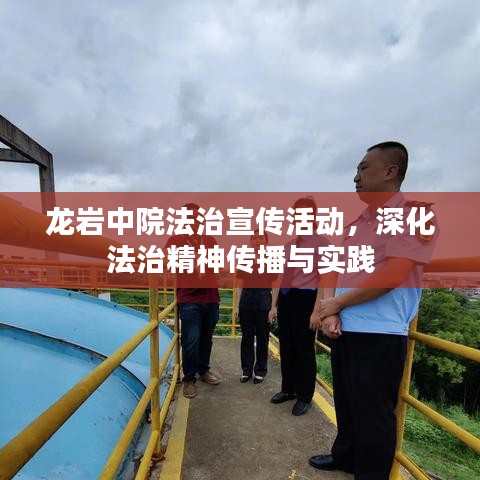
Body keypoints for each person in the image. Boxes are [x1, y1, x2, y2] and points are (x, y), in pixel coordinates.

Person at [309, 142, 438, 479]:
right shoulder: (358, 224)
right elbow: (334, 268)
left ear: (391, 171)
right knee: (347, 402)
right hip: (345, 326)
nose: (356, 176)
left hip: (380, 332)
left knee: (375, 414)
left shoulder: (415, 216)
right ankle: (345, 456)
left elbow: (393, 275)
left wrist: (337, 304)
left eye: (364, 168)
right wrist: (331, 312)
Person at [268, 196, 330, 416]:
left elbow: (324, 279)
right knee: (287, 347)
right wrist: (274, 306)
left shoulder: (322, 244)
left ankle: (305, 396)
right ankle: (288, 389)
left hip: (306, 299)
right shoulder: (288, 246)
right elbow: (280, 278)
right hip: (287, 300)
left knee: (304, 350)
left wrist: (317, 311)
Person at [164, 203, 221, 399]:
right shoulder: (175, 241)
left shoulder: (210, 240)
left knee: (206, 338)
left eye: (198, 218)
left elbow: (217, 263)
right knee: (191, 339)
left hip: (211, 297)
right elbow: (167, 261)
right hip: (189, 298)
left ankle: (203, 370)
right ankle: (189, 378)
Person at [235, 230, 278, 384]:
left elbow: (275, 285)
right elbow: (239, 285)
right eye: (254, 238)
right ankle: (246, 370)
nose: (257, 241)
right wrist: (237, 306)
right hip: (246, 302)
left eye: (261, 238)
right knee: (246, 338)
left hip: (264, 302)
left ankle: (260, 370)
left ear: (266, 241)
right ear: (251, 241)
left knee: (262, 338)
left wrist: (274, 307)